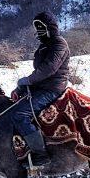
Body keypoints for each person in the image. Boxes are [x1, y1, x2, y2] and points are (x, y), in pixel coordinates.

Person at [11, 11, 71, 168]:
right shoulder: (44, 45)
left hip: (52, 89)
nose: (38, 30)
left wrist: (28, 80)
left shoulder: (59, 43)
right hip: (42, 87)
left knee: (20, 114)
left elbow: (48, 69)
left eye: (41, 26)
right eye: (36, 27)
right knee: (12, 106)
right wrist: (21, 88)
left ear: (49, 27)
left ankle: (40, 154)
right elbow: (40, 73)